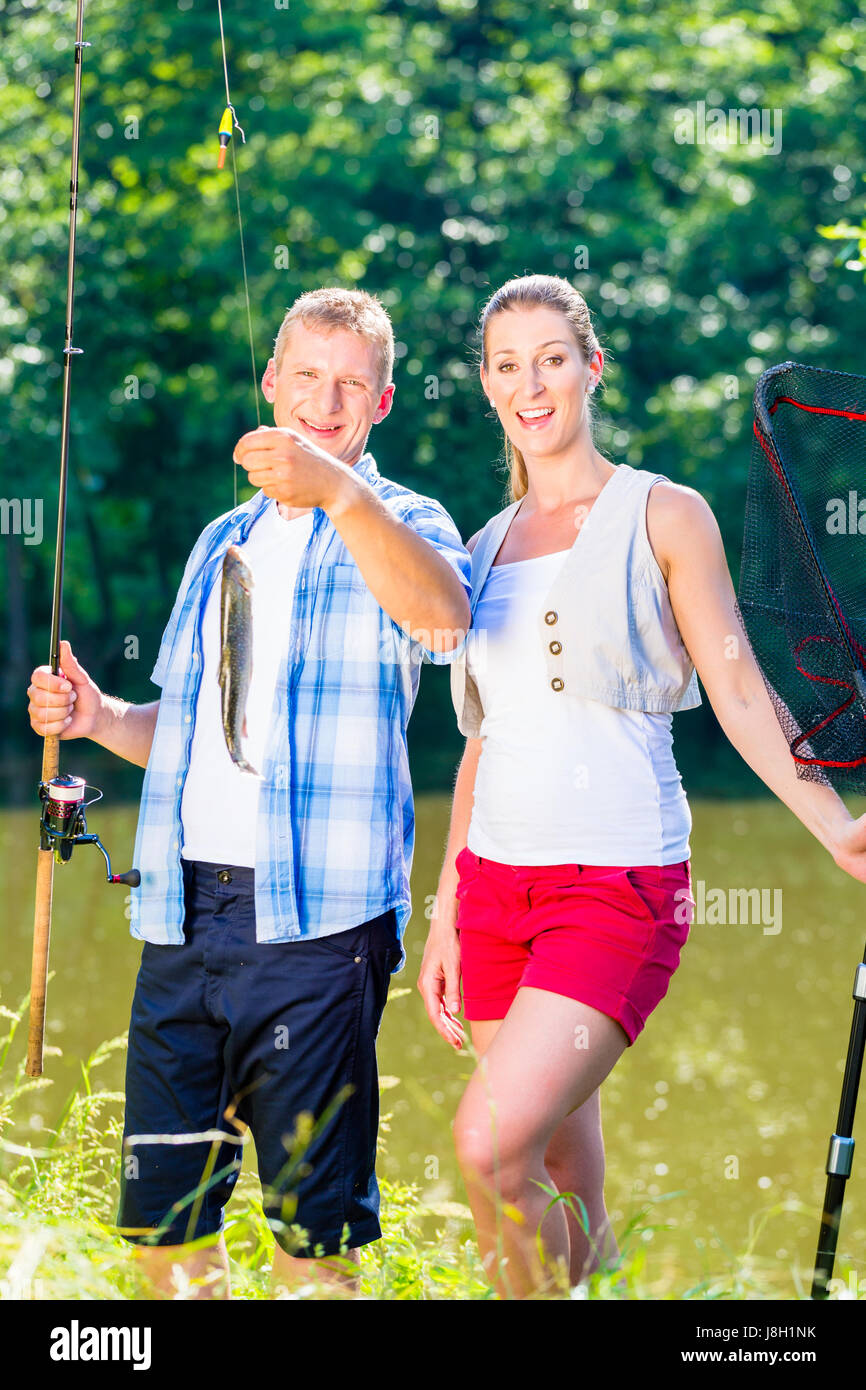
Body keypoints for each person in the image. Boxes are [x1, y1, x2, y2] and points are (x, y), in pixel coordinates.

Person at [417, 272, 866, 1300]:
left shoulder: (663, 513)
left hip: (614, 889)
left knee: (488, 1149)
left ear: (592, 368)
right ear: (485, 383)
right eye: (506, 365)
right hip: (494, 894)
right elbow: (482, 738)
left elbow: (739, 686)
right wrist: (445, 909)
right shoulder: (479, 548)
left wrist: (833, 826)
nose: (530, 385)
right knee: (563, 1171)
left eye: (551, 359)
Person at [27, 287, 472, 1299]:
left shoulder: (405, 520)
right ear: (271, 383)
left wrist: (339, 493)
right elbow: (187, 730)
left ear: (382, 403)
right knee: (164, 1232)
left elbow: (446, 625)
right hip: (185, 914)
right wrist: (101, 717)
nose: (324, 400)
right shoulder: (219, 541)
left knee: (311, 1243)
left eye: (350, 384)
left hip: (321, 926)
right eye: (306, 375)